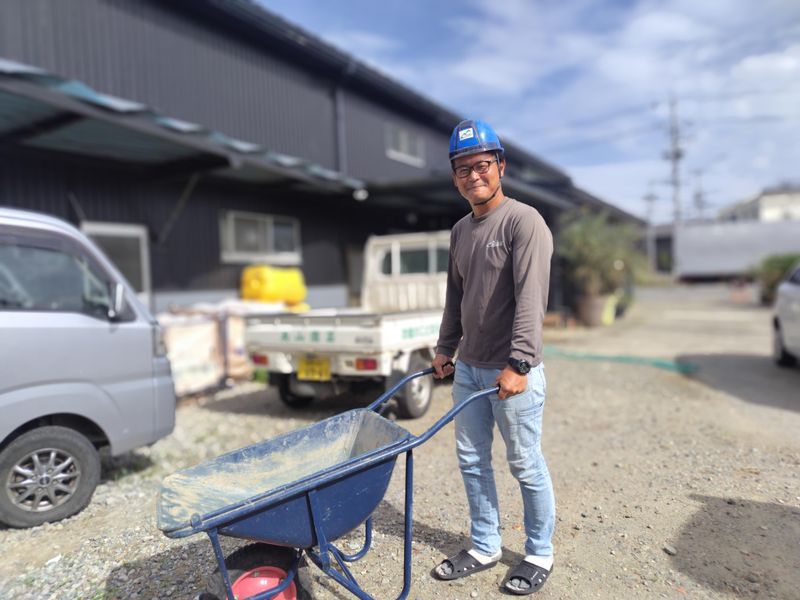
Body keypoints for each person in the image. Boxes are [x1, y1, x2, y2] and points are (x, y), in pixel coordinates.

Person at [431, 119, 555, 595]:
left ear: (501, 166)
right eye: (462, 169)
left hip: (511, 372)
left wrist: (520, 363)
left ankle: (538, 552)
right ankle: (485, 545)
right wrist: (446, 347)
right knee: (471, 461)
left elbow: (531, 299)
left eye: (481, 165)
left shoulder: (524, 221)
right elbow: (456, 296)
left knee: (523, 462)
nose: (473, 175)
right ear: (455, 178)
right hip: (469, 369)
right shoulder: (460, 230)